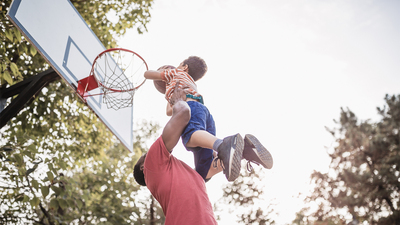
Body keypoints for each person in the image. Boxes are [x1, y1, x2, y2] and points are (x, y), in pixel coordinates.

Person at [144, 56, 273, 182]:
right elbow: (169, 111)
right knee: (203, 172)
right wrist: (169, 90)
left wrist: (160, 73)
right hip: (203, 112)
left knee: (190, 136)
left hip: (191, 108)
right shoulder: (189, 81)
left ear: (184, 67)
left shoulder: (174, 73)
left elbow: (147, 74)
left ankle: (223, 144)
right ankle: (247, 150)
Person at [134, 82, 218, 225]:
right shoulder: (151, 165)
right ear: (143, 167)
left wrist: (238, 151)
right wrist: (178, 101)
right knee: (190, 138)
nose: (145, 154)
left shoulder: (189, 175)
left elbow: (215, 167)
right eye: (143, 156)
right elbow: (183, 114)